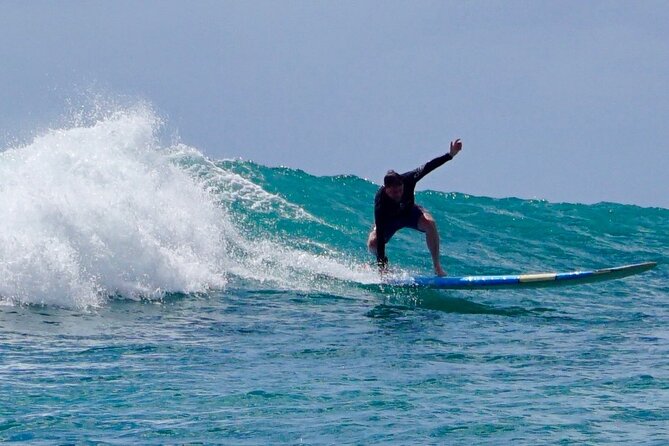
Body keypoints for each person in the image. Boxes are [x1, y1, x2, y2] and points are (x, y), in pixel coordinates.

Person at [367, 139, 463, 276]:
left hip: (409, 212)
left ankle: (437, 267)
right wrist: (382, 266)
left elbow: (429, 166)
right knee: (373, 243)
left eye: (400, 190)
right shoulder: (380, 204)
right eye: (394, 192)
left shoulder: (409, 178)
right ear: (386, 190)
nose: (399, 194)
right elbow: (381, 236)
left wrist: (450, 155)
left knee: (430, 223)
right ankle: (382, 268)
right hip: (390, 220)